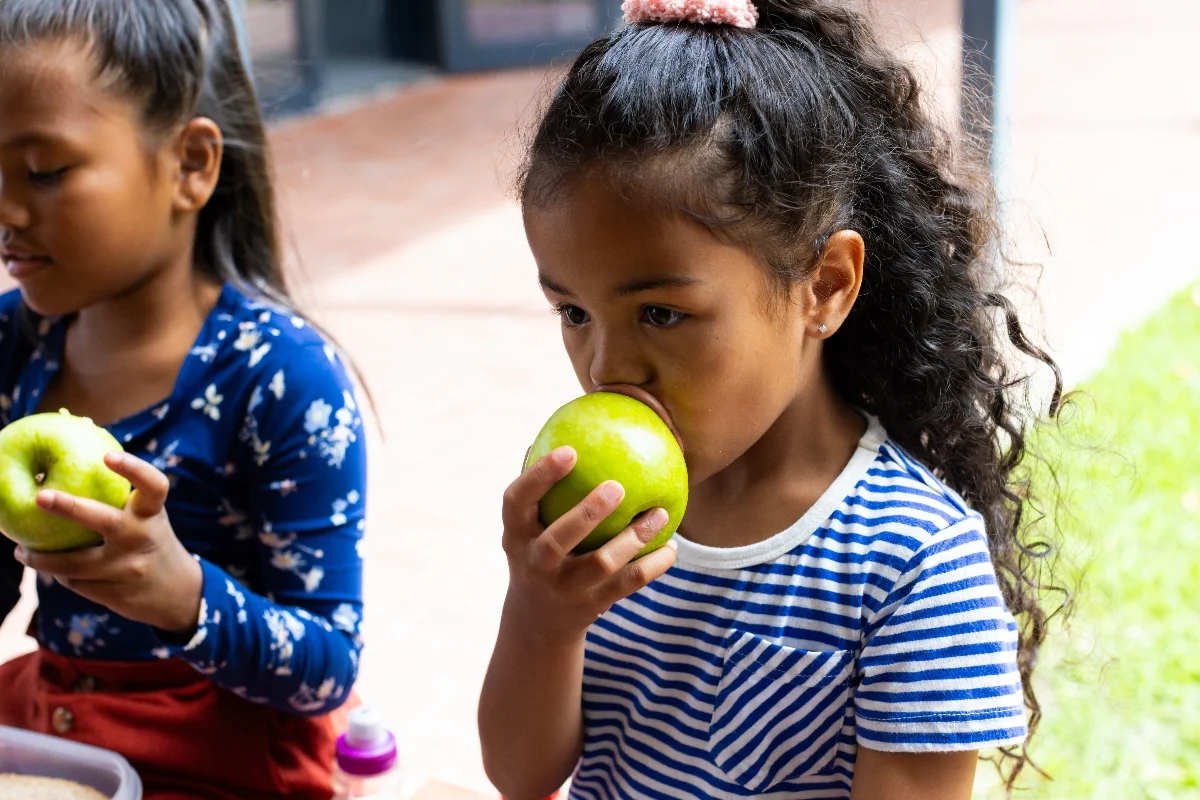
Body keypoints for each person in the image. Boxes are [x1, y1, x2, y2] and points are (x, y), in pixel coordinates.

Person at [478, 0, 1066, 798]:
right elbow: (521, 774)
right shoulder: (603, 526)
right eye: (573, 313)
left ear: (823, 287)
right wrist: (542, 617)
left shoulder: (912, 563)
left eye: (661, 314)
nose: (608, 368)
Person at [0, 1, 367, 797]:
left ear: (190, 165)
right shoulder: (13, 341)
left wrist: (182, 595)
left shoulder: (282, 379)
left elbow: (329, 669)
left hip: (226, 759)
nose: (6, 209)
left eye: (44, 171)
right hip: (58, 733)